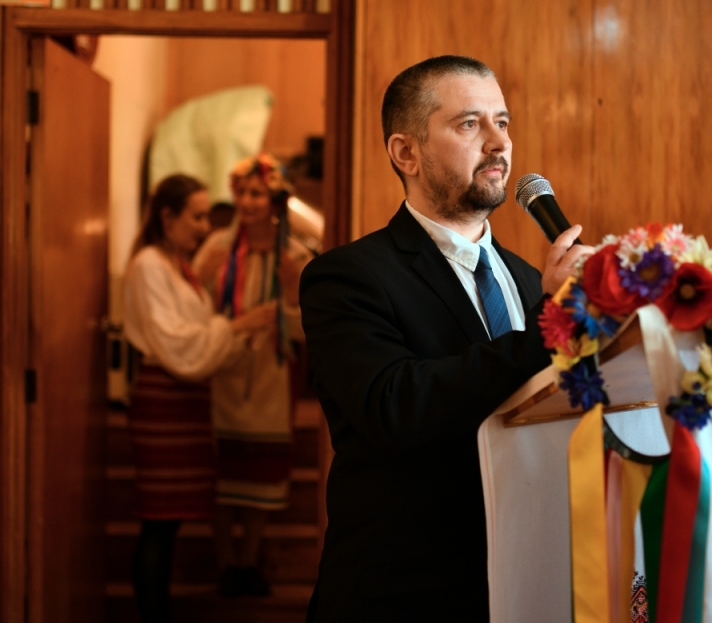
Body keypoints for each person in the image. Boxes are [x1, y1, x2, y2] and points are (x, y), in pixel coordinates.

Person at [299, 55, 591, 622]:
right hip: (407, 591)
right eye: (469, 124)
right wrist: (550, 327)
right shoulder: (349, 275)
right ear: (406, 152)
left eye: (502, 122)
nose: (498, 143)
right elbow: (394, 405)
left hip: (526, 577)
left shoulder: (530, 280)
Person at [123, 174, 273, 623]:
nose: (204, 226)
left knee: (167, 523)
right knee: (158, 521)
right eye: (197, 215)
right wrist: (238, 326)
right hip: (163, 399)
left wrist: (241, 338)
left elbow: (199, 341)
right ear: (167, 217)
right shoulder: (149, 264)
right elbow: (177, 344)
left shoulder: (177, 266)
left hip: (185, 400)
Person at [193, 154, 308, 597]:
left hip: (271, 377)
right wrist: (199, 279)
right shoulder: (215, 252)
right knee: (224, 474)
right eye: (240, 192)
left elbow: (307, 330)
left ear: (275, 202)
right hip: (221, 372)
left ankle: (250, 561)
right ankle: (225, 564)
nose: (245, 202)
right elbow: (195, 316)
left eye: (256, 193)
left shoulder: (295, 256)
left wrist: (292, 292)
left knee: (261, 470)